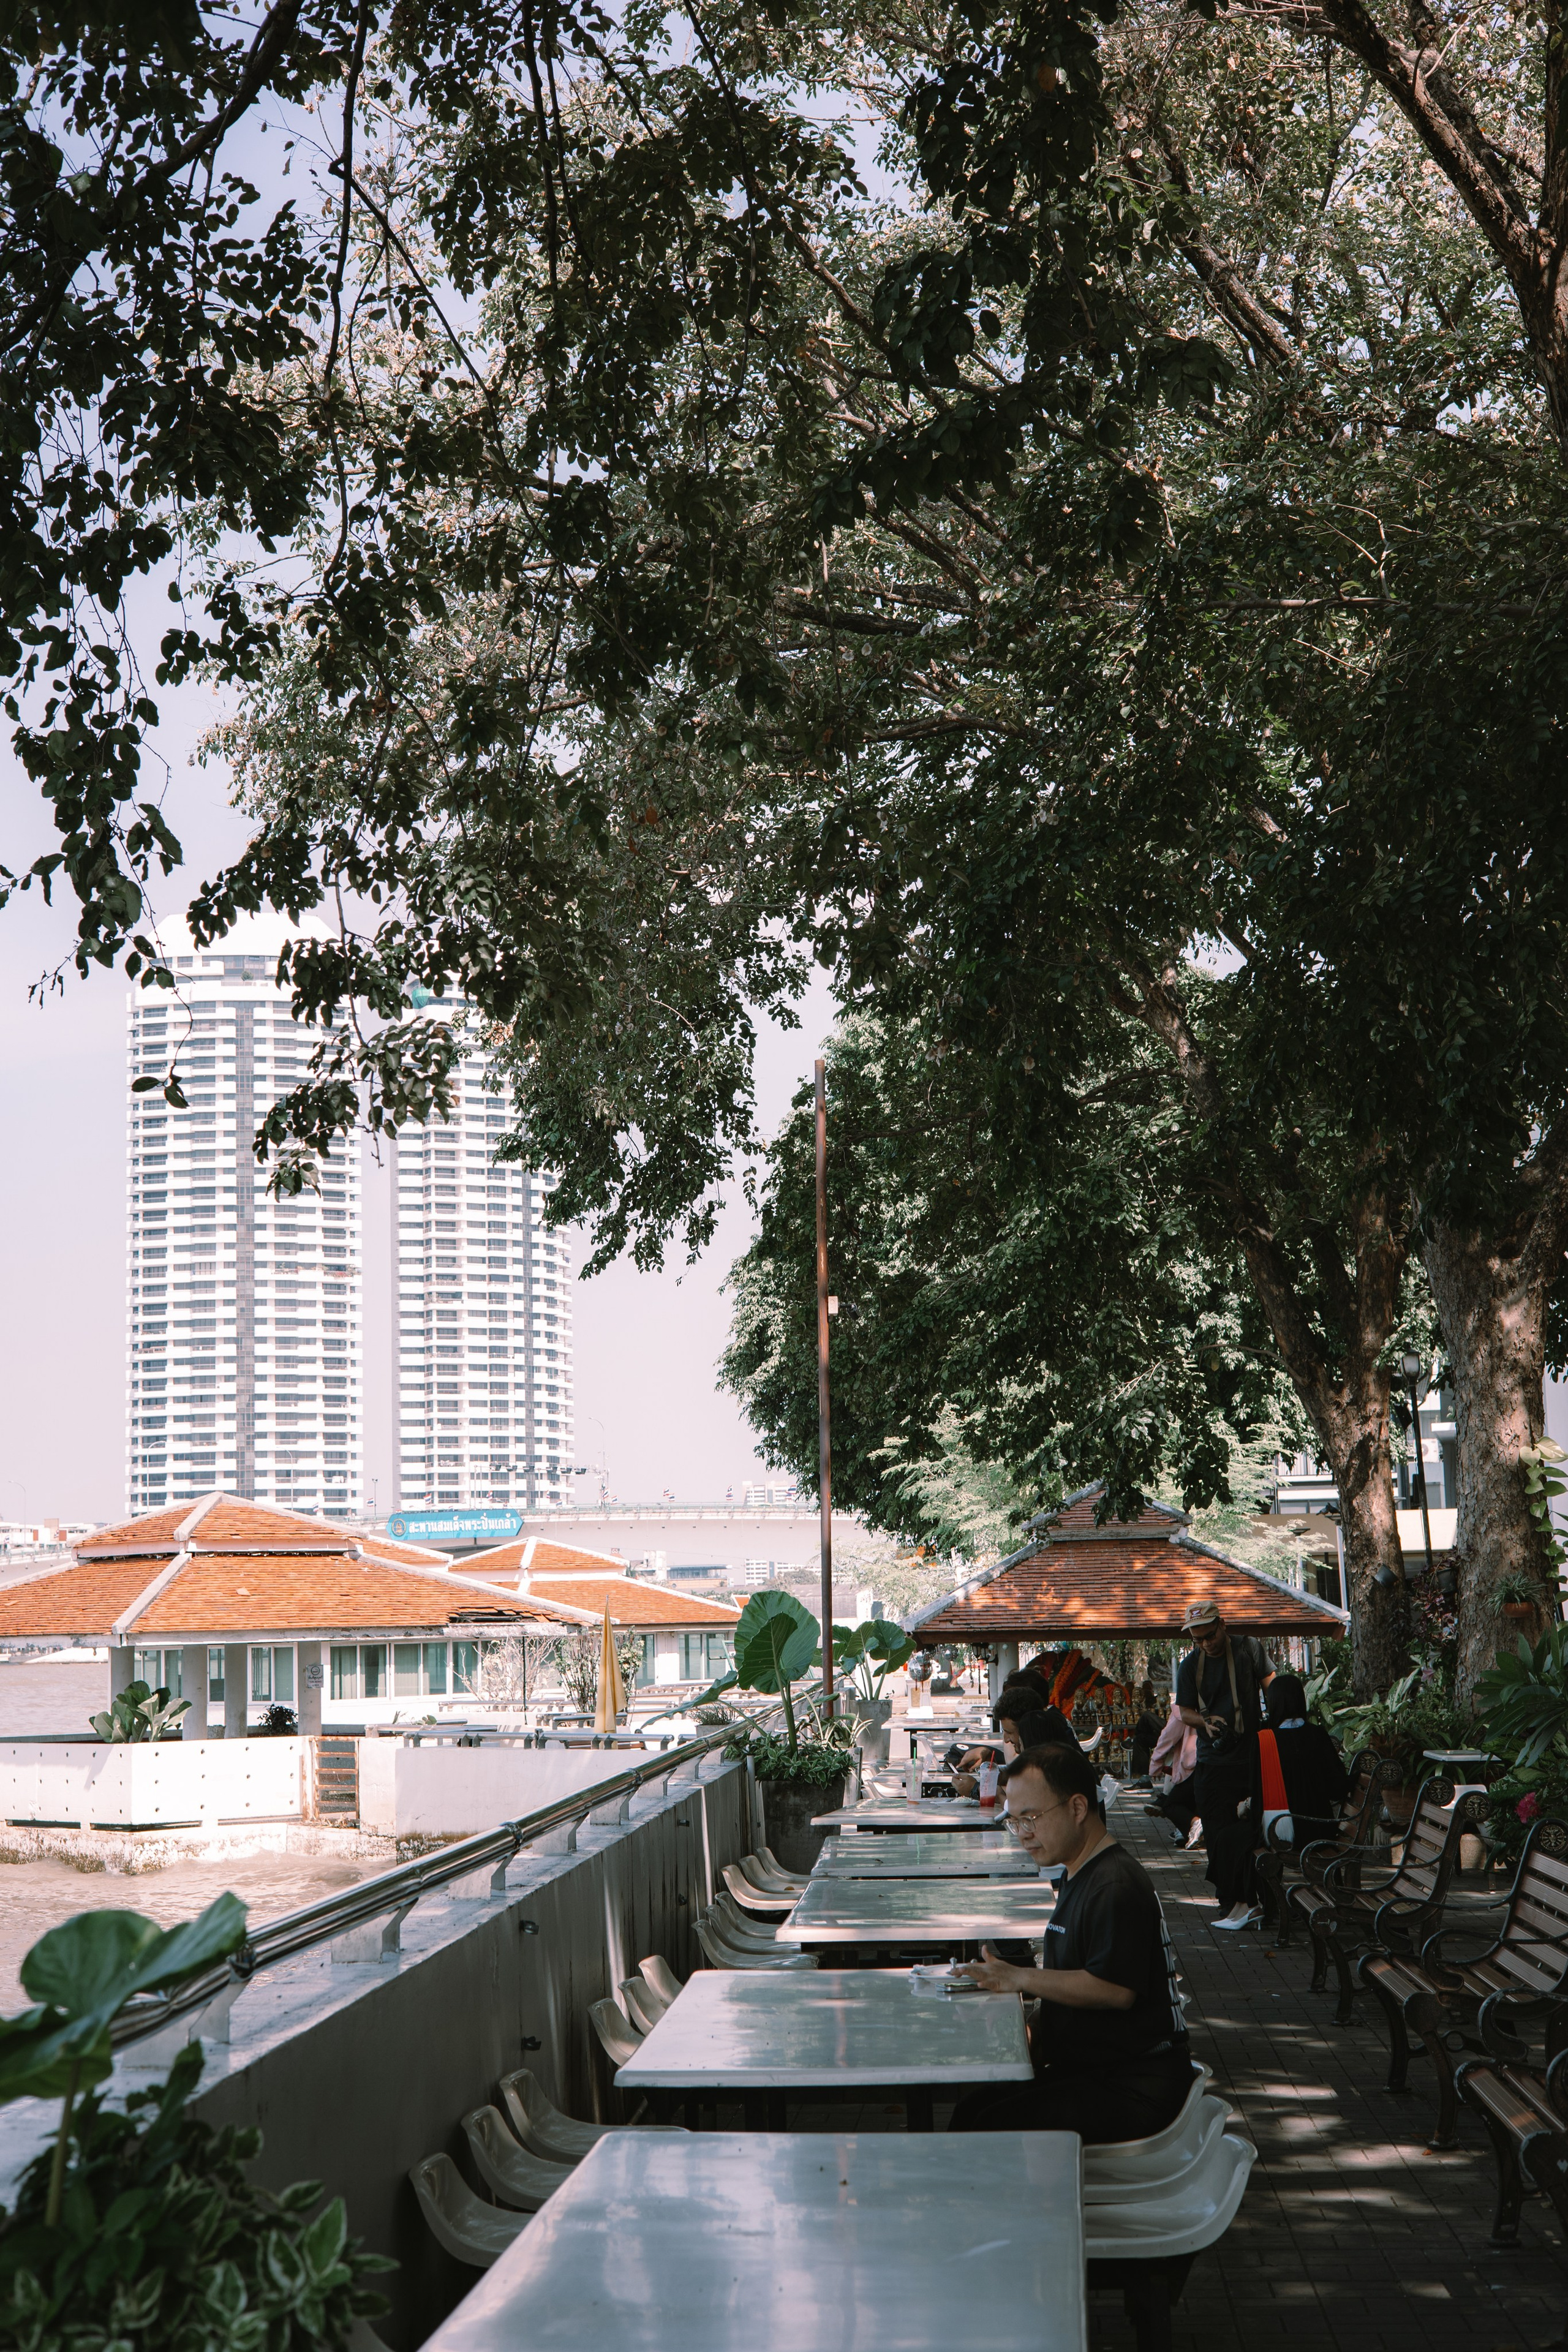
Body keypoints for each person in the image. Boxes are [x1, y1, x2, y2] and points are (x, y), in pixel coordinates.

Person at [949, 1742, 1194, 2142]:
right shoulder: (1078, 1872)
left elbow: (1114, 1990)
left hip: (1135, 2087)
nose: (1023, 1835)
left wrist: (1018, 1979)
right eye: (1015, 1821)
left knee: (984, 2128)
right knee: (972, 2110)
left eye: (1031, 1818)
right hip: (1094, 2073)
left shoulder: (1114, 1884)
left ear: (1078, 1808)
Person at [1174, 1600, 1275, 1930]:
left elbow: (1271, 1684)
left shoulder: (1249, 1649)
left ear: (1222, 1626)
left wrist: (1274, 1727)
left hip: (1249, 1758)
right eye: (1197, 1639)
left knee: (1247, 1832)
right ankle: (1229, 1900)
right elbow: (1183, 1711)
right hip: (1213, 1762)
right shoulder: (1191, 1666)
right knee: (1217, 1834)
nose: (1205, 1643)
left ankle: (1254, 1899)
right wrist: (1205, 1723)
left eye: (1209, 1635)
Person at [1256, 1672, 1349, 1849]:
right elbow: (1338, 1788)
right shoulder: (1318, 1734)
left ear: (1273, 1703)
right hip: (1320, 1830)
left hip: (1281, 1833)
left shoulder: (1265, 1740)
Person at [1144, 1700, 1200, 1844]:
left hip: (1193, 1764)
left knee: (1172, 1805)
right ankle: (1184, 1832)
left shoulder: (1182, 1708)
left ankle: (1195, 1827)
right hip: (1216, 1762)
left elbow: (1167, 1738)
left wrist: (1155, 1766)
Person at [1129, 1682, 1166, 1780]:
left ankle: (1134, 1736)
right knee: (1139, 1739)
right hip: (1167, 1731)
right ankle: (1143, 1777)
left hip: (1172, 1732)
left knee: (1146, 1716)